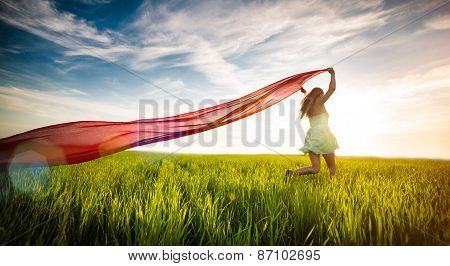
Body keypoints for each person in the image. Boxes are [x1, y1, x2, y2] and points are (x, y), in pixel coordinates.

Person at [286, 67, 339, 178]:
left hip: (312, 136)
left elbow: (308, 98)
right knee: (332, 167)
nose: (323, 96)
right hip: (323, 134)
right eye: (322, 94)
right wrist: (332, 74)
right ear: (319, 95)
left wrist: (304, 92)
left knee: (315, 168)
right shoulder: (320, 102)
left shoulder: (308, 107)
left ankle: (292, 174)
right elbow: (332, 89)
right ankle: (333, 187)